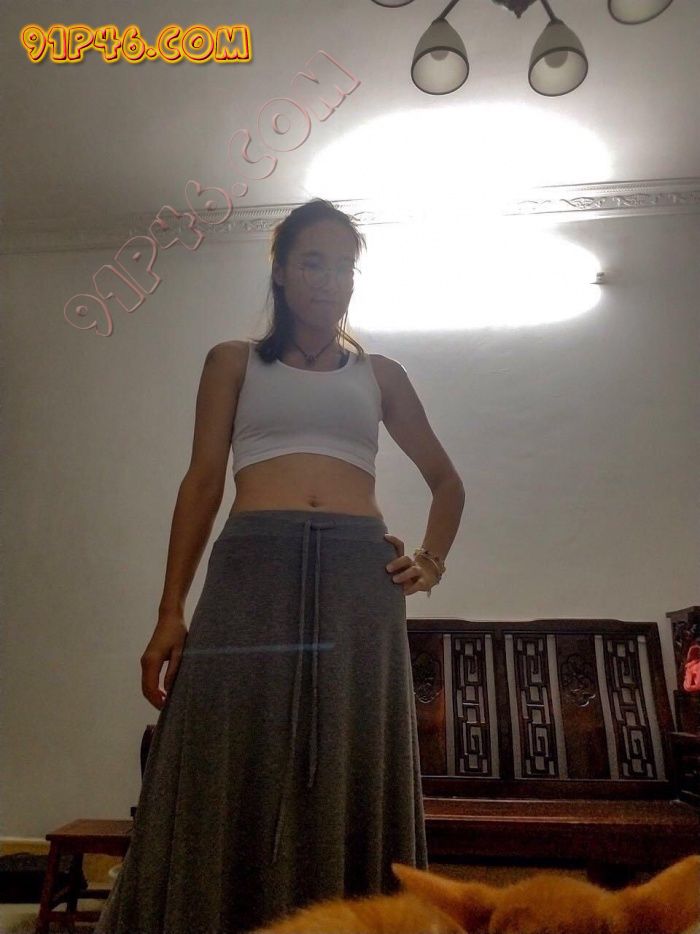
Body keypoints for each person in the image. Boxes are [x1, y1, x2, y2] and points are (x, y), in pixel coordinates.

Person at [93, 198, 465, 934]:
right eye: (313, 262)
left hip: (358, 577)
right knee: (224, 744)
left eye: (343, 267)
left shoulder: (382, 375)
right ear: (282, 271)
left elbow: (448, 483)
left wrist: (430, 563)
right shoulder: (232, 362)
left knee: (349, 750)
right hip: (252, 567)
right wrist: (170, 612)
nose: (329, 280)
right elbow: (203, 481)